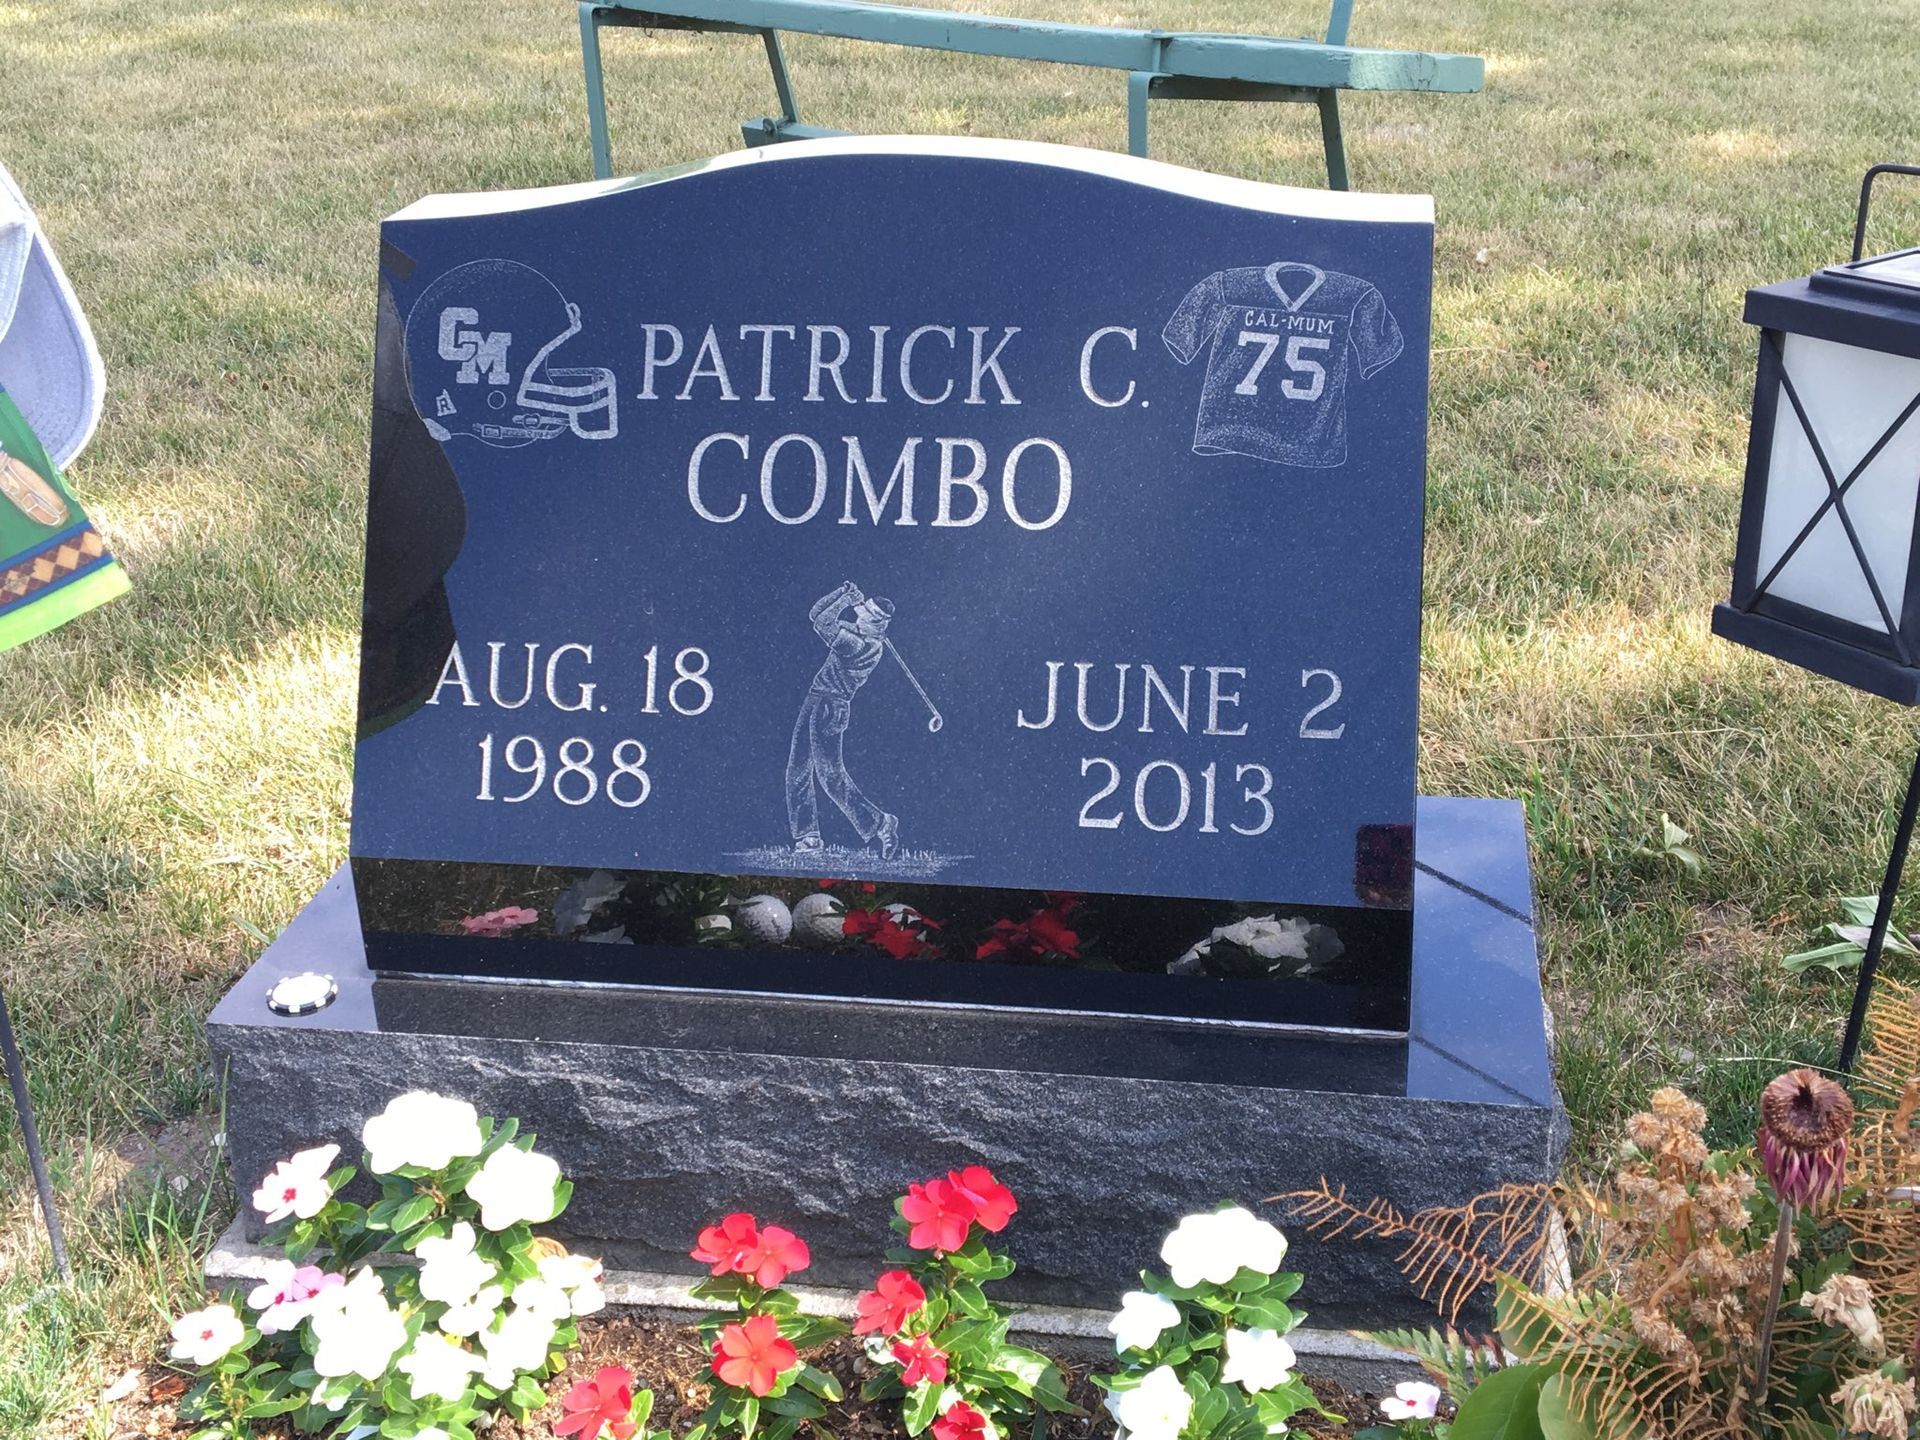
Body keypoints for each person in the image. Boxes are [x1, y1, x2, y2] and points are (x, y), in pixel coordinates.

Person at [787, 580, 900, 860]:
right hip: (816, 699)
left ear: (873, 621)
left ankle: (880, 823)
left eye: (861, 611)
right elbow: (816, 615)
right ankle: (807, 837)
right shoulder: (859, 634)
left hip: (830, 706)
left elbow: (823, 625)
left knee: (831, 776)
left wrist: (846, 600)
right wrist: (840, 593)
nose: (856, 611)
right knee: (797, 770)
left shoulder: (859, 645)